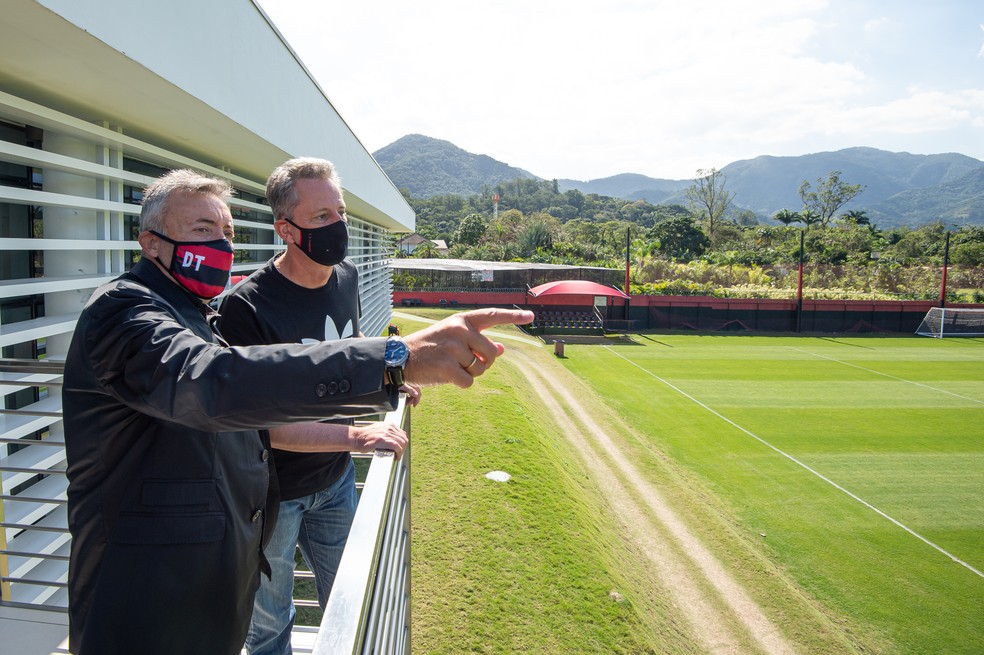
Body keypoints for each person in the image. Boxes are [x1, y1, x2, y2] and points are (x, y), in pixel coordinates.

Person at [62, 168, 532, 655]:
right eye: (202, 230)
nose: (221, 244)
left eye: (227, 232)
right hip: (144, 610)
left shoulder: (196, 311)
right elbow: (213, 382)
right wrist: (391, 360)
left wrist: (383, 383)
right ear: (151, 243)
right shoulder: (124, 313)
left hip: (204, 599)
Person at [217, 158, 417, 654]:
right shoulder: (246, 307)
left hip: (336, 480)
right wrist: (359, 435)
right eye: (323, 216)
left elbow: (345, 351)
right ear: (287, 229)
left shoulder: (345, 277)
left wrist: (388, 382)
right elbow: (262, 425)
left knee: (353, 601)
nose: (340, 227)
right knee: (270, 628)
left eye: (341, 212)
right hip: (272, 498)